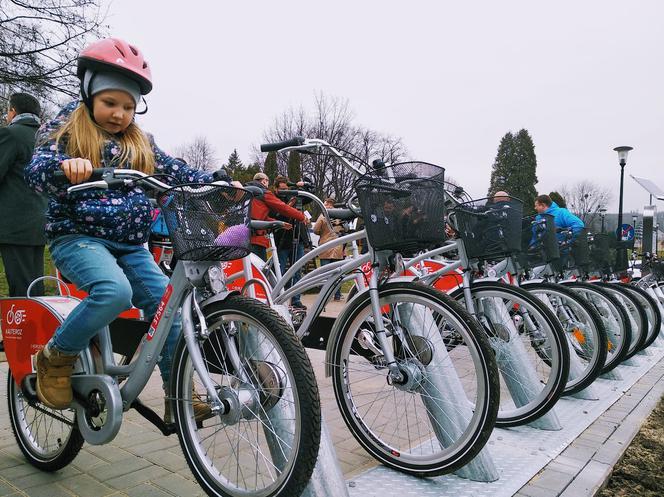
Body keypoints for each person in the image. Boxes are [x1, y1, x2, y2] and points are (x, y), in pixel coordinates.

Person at [25, 37, 235, 420]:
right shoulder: (68, 129)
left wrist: (217, 182)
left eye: (128, 106)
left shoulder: (140, 141)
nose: (120, 114)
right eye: (110, 103)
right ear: (89, 95)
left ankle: (179, 398)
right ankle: (56, 356)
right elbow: (37, 171)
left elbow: (176, 171)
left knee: (168, 306)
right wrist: (64, 168)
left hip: (130, 245)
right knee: (114, 292)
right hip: (78, 237)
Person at [0, 93, 47, 352]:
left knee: (19, 283)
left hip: (14, 223)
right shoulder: (42, 139)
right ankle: (37, 334)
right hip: (38, 223)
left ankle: (20, 341)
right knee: (34, 283)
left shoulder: (11, 134)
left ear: (13, 111)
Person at [245, 172, 305, 261]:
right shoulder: (263, 193)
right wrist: (301, 217)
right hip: (256, 240)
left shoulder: (245, 192)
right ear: (265, 181)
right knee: (258, 271)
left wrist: (278, 223)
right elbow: (283, 208)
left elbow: (256, 217)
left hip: (241, 239)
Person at [273, 175, 309, 309]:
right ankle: (277, 297)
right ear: (276, 188)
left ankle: (296, 300)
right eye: (282, 189)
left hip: (297, 238)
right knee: (280, 271)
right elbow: (275, 215)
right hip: (282, 240)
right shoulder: (274, 199)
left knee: (297, 271)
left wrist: (302, 185)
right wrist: (289, 206)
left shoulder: (294, 196)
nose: (284, 191)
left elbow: (310, 194)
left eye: (286, 188)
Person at [313, 198, 344, 301]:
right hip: (338, 248)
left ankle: (325, 295)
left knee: (325, 273)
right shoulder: (339, 216)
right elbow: (346, 229)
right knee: (337, 273)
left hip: (325, 247)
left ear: (326, 204)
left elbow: (315, 229)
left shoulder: (323, 216)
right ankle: (337, 295)